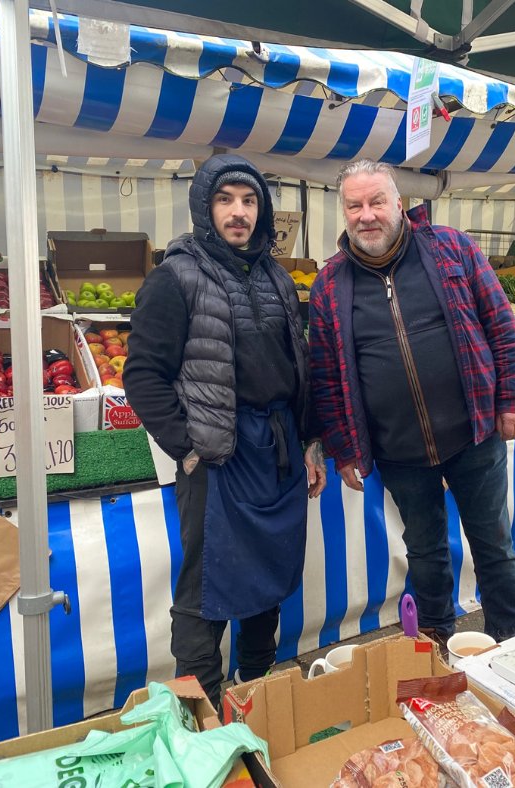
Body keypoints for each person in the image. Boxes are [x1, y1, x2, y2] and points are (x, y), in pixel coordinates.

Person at [124, 154, 326, 708]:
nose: (238, 213)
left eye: (249, 200)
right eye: (225, 199)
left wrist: (310, 442)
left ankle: (255, 691)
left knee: (270, 575)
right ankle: (200, 708)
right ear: (204, 206)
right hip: (218, 456)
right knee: (205, 588)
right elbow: (143, 376)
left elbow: (300, 366)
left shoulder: (277, 278)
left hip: (279, 449)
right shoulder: (174, 277)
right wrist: (187, 450)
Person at [308, 159, 515, 646]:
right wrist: (344, 449)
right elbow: (325, 376)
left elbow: (502, 326)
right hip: (398, 450)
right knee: (425, 551)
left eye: (376, 202)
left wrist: (513, 397)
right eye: (355, 205)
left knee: (492, 544)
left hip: (474, 432)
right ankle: (436, 643)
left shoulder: (452, 248)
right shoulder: (330, 285)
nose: (367, 215)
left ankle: (509, 640)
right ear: (344, 213)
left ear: (399, 204)